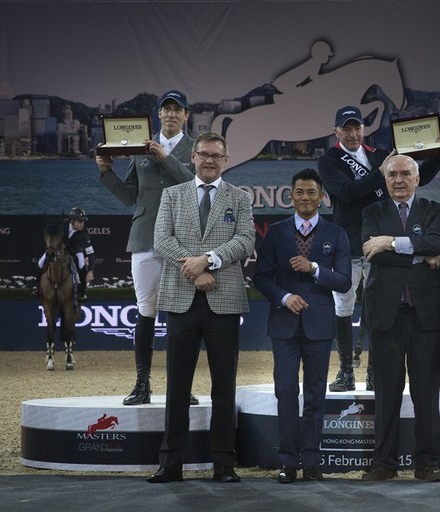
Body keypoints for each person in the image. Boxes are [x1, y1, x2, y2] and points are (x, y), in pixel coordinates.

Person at [318, 105, 440, 393]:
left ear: (364, 129)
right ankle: (345, 372)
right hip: (349, 243)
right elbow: (347, 193)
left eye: (357, 128)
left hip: (384, 243)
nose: (353, 134)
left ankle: (373, 372)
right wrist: (380, 173)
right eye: (347, 128)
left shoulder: (379, 154)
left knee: (378, 305)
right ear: (336, 131)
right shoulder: (329, 160)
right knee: (343, 306)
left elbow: (415, 177)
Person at [147, 132, 255, 484]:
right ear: (192, 157)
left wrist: (208, 261)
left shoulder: (239, 197)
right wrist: (194, 273)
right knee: (178, 386)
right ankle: (170, 464)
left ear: (226, 160)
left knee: (224, 387)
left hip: (224, 302)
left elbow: (244, 241)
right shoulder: (171, 194)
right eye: (204, 154)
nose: (209, 160)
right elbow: (161, 239)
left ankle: (224, 464)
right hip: (181, 299)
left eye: (216, 156)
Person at [96, 90, 196, 406]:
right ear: (158, 115)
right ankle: (142, 385)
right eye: (165, 109)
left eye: (176, 110)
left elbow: (194, 182)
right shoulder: (140, 147)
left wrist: (165, 158)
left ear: (186, 116)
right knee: (146, 311)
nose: (170, 114)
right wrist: (106, 172)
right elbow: (130, 196)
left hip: (182, 238)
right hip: (145, 237)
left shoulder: (195, 148)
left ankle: (182, 387)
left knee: (183, 314)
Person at [253, 168, 352, 483]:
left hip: (319, 327)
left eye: (312, 192)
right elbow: (262, 278)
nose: (306, 197)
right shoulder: (277, 232)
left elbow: (344, 280)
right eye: (300, 192)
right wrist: (284, 298)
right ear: (291, 196)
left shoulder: (337, 234)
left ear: (321, 197)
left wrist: (315, 269)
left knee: (314, 395)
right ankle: (287, 462)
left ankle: (311, 461)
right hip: (284, 325)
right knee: (285, 392)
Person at [359, 154, 440, 482]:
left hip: (426, 316)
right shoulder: (373, 211)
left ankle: (427, 463)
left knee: (426, 393)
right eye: (392, 175)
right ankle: (384, 463)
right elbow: (371, 252)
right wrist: (419, 255)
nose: (398, 180)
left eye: (405, 174)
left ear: (417, 178)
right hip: (386, 316)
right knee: (386, 393)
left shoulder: (434, 210)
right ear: (385, 180)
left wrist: (392, 243)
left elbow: (438, 241)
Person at [36, 207, 94, 302]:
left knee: (81, 263)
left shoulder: (84, 233)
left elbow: (91, 252)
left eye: (83, 221)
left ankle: (83, 291)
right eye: (80, 221)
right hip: (60, 249)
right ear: (72, 221)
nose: (82, 224)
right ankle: (37, 287)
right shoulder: (62, 225)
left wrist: (91, 271)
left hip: (76, 251)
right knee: (41, 261)